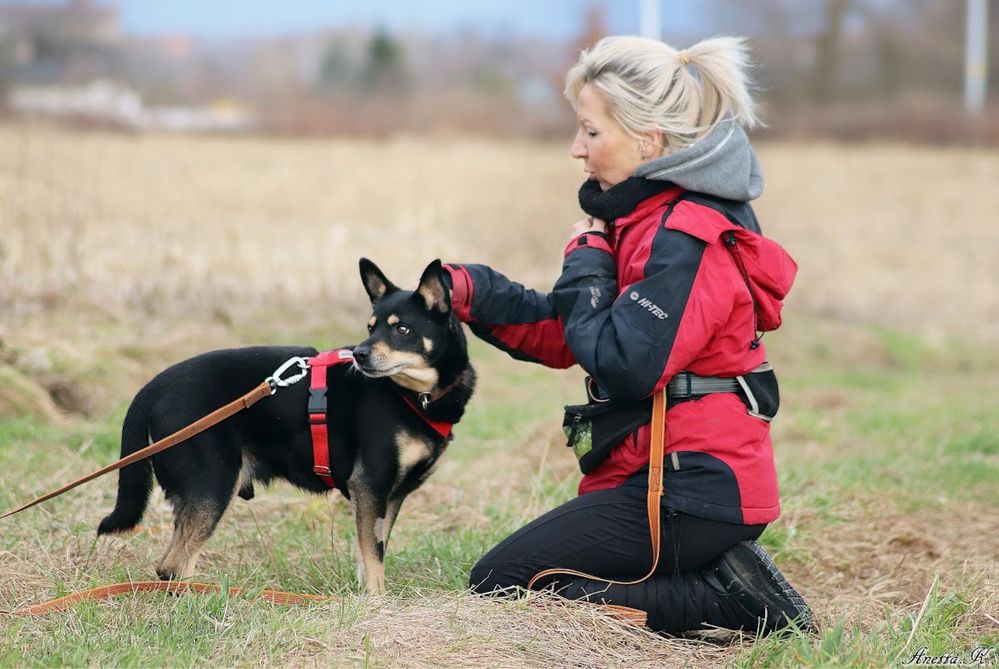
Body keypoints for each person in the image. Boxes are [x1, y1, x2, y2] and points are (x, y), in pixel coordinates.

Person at [442, 35, 813, 635]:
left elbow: (624, 362)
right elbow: (576, 335)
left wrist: (586, 259)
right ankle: (718, 574)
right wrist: (470, 292)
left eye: (590, 131)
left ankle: (729, 598)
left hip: (692, 489)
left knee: (508, 580)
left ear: (649, 139)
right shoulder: (647, 220)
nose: (575, 149)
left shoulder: (689, 234)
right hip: (659, 479)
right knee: (517, 576)